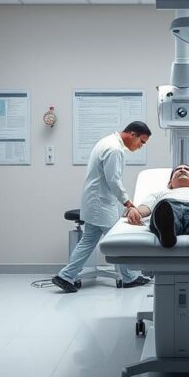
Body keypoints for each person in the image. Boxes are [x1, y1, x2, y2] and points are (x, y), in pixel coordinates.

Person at [52, 122, 153, 293]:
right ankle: (129, 277)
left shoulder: (107, 142)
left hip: (95, 202)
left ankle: (65, 276)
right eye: (141, 142)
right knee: (120, 240)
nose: (141, 146)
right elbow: (113, 180)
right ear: (132, 134)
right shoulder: (114, 149)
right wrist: (128, 203)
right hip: (101, 204)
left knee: (88, 241)